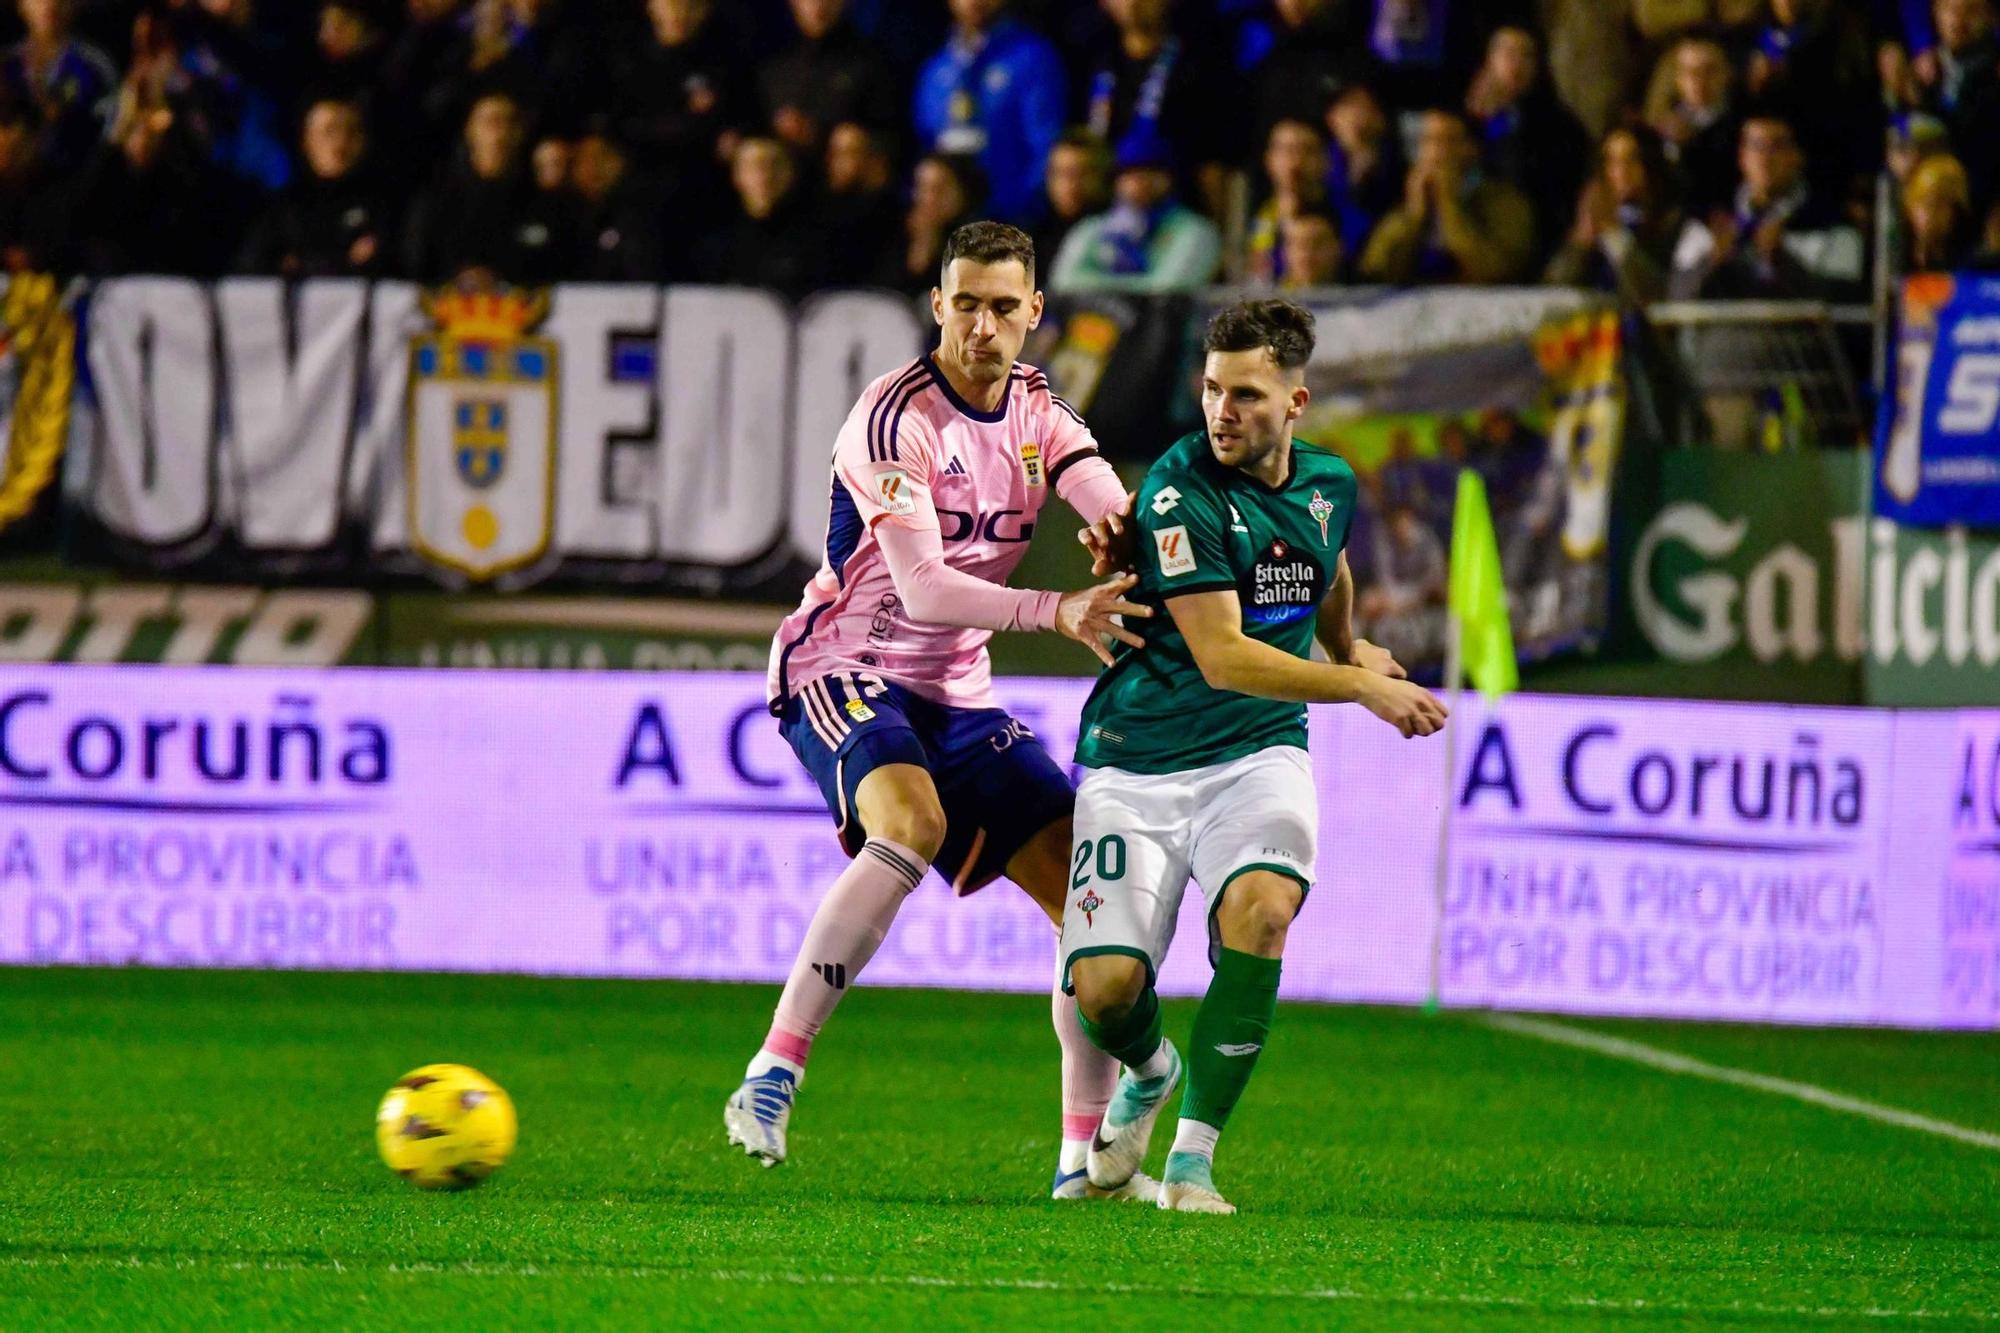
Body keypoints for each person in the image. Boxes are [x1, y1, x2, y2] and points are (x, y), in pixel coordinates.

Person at [725, 221, 1158, 1204]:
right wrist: (1057, 608)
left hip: (958, 691)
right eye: (964, 303)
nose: (982, 325)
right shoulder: (893, 418)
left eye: (1003, 306)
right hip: (845, 662)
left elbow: (1104, 497)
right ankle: (773, 1071)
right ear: (937, 306)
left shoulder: (1039, 404)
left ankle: (1080, 1159)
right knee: (910, 824)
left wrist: (1116, 531)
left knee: (1086, 899)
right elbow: (921, 588)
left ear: (1033, 314)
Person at [1060, 298, 1445, 1213]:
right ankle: (1151, 1070)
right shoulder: (1174, 488)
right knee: (1106, 991)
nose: (1220, 411)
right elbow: (1224, 657)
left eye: (1244, 394)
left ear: (1296, 402)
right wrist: (1359, 686)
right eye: (1209, 390)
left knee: (1264, 911)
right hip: (1137, 755)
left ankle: (1191, 1162)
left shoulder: (1330, 483)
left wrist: (1348, 643)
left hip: (1257, 750)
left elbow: (1325, 563)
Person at [1669, 113, 1864, 299]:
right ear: (1742, 156)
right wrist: (1710, 262)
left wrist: (1783, 263)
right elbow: (1676, 299)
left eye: (1777, 146)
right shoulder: (1708, 225)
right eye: (1756, 146)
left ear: (1797, 157)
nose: (1765, 158)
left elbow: (1843, 306)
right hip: (1719, 333)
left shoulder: (1832, 225)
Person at [912, 0, 1065, 222]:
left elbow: (1046, 144)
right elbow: (926, 144)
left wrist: (1022, 209)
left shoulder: (1032, 59)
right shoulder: (936, 69)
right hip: (948, 227)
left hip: (1011, 221)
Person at [1359, 107, 1536, 284]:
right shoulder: (1405, 198)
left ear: (1471, 148)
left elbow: (1497, 271)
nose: (1435, 150)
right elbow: (1376, 271)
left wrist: (1449, 204)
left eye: (1447, 140)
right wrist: (1412, 216)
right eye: (1427, 141)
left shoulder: (1504, 201)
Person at [236, 95, 393, 278]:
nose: (340, 143)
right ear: (307, 139)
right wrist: (344, 262)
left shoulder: (383, 206)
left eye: (352, 131)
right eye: (329, 131)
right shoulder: (282, 208)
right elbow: (251, 269)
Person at [1049, 127, 1221, 292]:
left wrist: (1096, 283)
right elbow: (1064, 282)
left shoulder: (1196, 231)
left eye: (1151, 170)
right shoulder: (1092, 229)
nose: (1139, 180)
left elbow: (1167, 290)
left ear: (1169, 177)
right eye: (1129, 172)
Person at [1543, 124, 1683, 305]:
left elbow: (1658, 292)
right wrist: (1580, 243)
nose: (1621, 172)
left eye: (1631, 160)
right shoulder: (1594, 220)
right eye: (1612, 162)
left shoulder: (1672, 222)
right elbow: (1552, 286)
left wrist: (1614, 234)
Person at [697, 135, 827, 297]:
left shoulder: (819, 241)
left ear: (790, 173)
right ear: (737, 176)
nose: (764, 176)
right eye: (754, 166)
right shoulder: (718, 246)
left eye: (774, 165)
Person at [1030, 128, 1109, 273]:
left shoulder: (1116, 233)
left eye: (1080, 174)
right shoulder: (1033, 238)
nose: (1070, 184)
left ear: (1102, 177)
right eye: (1060, 173)